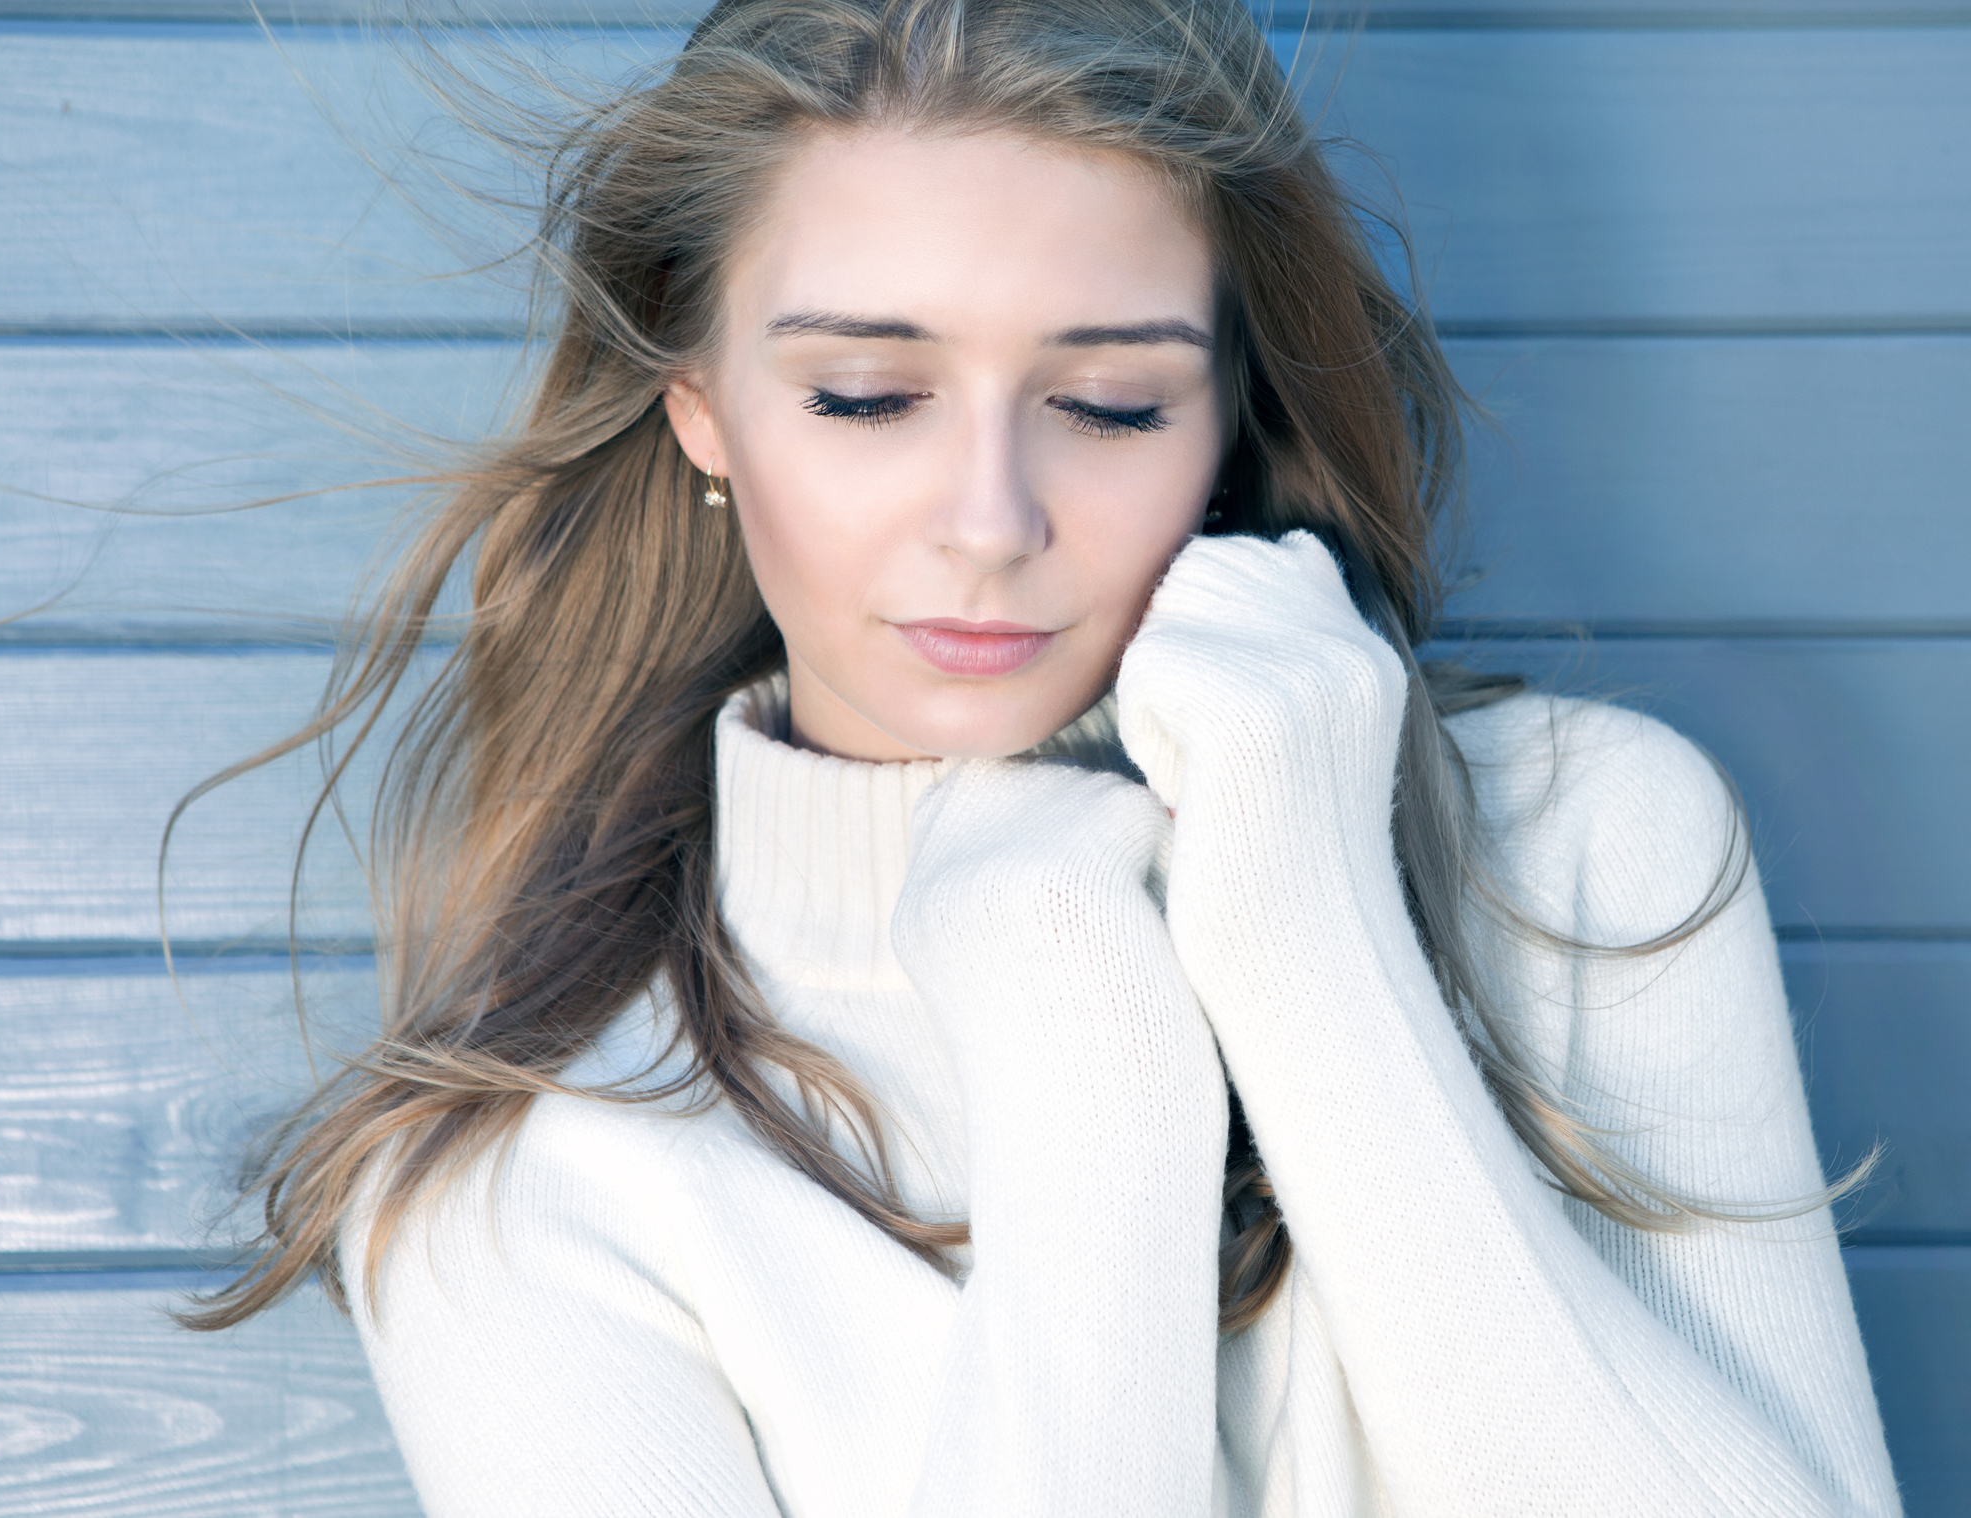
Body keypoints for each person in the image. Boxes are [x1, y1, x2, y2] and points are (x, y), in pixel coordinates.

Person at [182, 0, 1900, 1511]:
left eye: (1110, 404)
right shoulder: (518, 1191)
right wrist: (1092, 1050)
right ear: (697, 401)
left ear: (1233, 408)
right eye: (866, 397)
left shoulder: (1593, 840)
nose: (991, 525)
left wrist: (1305, 933)